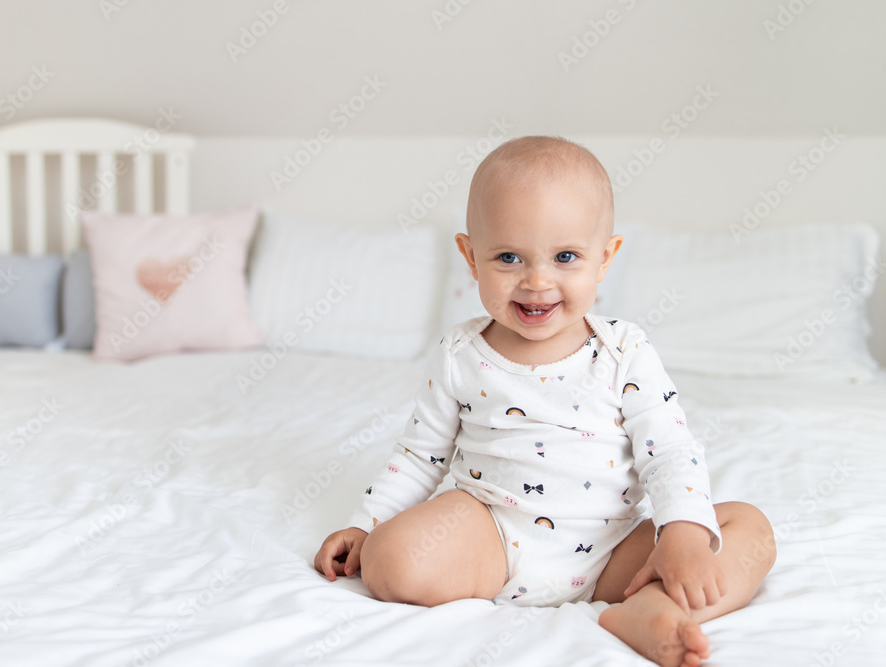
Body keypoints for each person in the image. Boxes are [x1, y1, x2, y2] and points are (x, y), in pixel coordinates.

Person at [314, 136, 776, 667]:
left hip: (614, 554)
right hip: (491, 538)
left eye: (565, 256)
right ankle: (639, 600)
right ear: (470, 257)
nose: (537, 281)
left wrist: (683, 534)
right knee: (390, 561)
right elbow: (421, 455)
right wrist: (367, 524)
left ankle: (645, 607)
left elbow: (669, 450)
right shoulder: (460, 354)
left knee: (748, 530)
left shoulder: (624, 350)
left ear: (604, 259)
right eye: (508, 257)